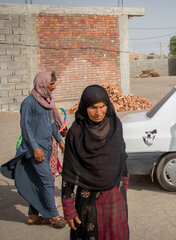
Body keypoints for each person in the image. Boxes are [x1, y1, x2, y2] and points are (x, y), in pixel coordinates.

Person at [61, 85, 129, 240]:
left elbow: (122, 157)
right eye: (93, 108)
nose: (98, 113)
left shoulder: (115, 126)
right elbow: (69, 172)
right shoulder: (76, 133)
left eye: (102, 107)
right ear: (85, 107)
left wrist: (124, 185)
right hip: (89, 200)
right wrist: (69, 208)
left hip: (115, 195)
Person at [8, 71, 67, 228]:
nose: (53, 87)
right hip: (35, 149)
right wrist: (35, 148)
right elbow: (25, 127)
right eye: (51, 84)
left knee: (38, 180)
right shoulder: (29, 103)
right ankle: (53, 216)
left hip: (47, 147)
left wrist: (60, 141)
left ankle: (33, 215)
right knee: (48, 179)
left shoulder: (46, 101)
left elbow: (51, 124)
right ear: (42, 83)